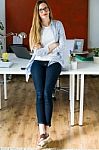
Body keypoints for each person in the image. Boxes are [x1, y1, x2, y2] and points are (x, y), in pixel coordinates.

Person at [26, 0, 66, 148]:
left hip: (54, 61)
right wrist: (51, 46)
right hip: (38, 62)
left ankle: (46, 131)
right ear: (37, 13)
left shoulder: (58, 25)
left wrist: (45, 49)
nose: (44, 11)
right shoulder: (35, 28)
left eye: (46, 8)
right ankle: (42, 132)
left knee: (47, 92)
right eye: (41, 9)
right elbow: (34, 50)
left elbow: (62, 46)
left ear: (49, 10)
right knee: (39, 94)